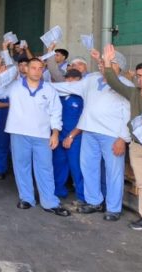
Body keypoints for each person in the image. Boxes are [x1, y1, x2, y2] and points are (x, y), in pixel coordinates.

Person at [51, 48, 132, 221]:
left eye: (109, 62)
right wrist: (42, 85)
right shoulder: (92, 80)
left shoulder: (125, 84)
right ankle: (94, 201)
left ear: (119, 66)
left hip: (112, 135)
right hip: (89, 131)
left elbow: (129, 115)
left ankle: (113, 208)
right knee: (89, 169)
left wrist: (123, 139)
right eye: (102, 62)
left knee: (113, 172)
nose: (103, 65)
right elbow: (68, 86)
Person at [5, 58, 70, 217]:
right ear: (25, 69)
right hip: (19, 133)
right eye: (33, 68)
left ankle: (50, 202)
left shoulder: (49, 89)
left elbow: (56, 112)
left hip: (42, 135)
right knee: (21, 167)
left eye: (40, 68)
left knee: (45, 168)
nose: (37, 71)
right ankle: (26, 198)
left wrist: (55, 133)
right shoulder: (14, 87)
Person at [100, 44, 142, 230]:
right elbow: (114, 82)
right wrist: (106, 62)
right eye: (139, 76)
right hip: (138, 146)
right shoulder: (134, 93)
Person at [52, 69, 85, 204]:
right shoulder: (58, 96)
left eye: (73, 79)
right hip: (59, 135)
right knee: (58, 164)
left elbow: (85, 120)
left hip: (75, 137)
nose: (70, 81)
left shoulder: (83, 98)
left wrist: (71, 136)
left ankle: (82, 196)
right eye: (68, 78)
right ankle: (58, 191)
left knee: (76, 167)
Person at [0, 41, 19, 180]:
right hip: (4, 109)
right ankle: (0, 168)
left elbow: (12, 67)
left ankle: (18, 168)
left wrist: (5, 49)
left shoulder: (13, 74)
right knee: (2, 140)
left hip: (16, 108)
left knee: (18, 141)